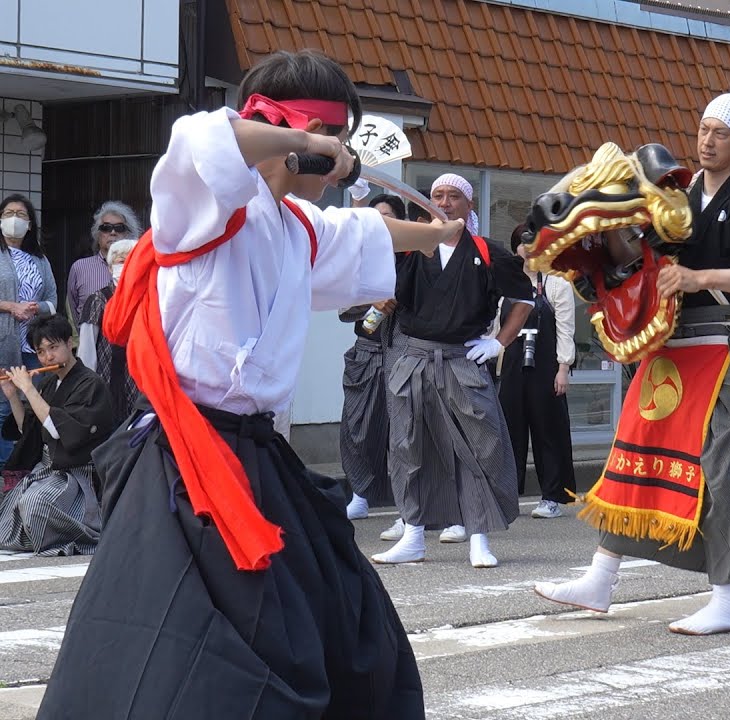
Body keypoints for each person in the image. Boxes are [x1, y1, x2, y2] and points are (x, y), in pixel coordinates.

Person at [36, 49, 464, 719]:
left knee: (350, 626)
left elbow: (368, 233)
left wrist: (441, 235)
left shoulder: (296, 227)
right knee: (206, 662)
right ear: (301, 133)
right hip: (187, 467)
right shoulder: (205, 209)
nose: (340, 160)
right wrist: (309, 145)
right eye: (336, 140)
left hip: (256, 458)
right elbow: (199, 140)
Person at [534, 91, 730, 635]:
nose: (707, 141)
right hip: (668, 351)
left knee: (722, 474)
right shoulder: (673, 197)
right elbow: (639, 263)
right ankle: (600, 579)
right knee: (631, 456)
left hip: (723, 351)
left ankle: (725, 598)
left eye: (721, 133)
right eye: (704, 129)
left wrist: (701, 278)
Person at [372, 173, 532, 568]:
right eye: (437, 196)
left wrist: (499, 342)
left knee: (479, 444)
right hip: (413, 357)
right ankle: (413, 534)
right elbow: (372, 270)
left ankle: (478, 536)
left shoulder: (487, 251)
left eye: (453, 196)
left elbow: (524, 299)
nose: (444, 203)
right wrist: (378, 298)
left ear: (468, 204)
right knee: (408, 444)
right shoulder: (410, 248)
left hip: (464, 358)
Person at [0, 314, 113, 555]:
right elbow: (29, 431)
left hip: (76, 474)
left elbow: (60, 430)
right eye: (41, 352)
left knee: (33, 504)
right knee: (8, 511)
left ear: (69, 343)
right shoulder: (48, 384)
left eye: (53, 347)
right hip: (48, 469)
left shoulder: (91, 384)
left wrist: (28, 389)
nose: (48, 357)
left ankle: (77, 532)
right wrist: (12, 395)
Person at [498, 223, 576, 519]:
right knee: (510, 431)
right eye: (522, 243)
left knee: (548, 431)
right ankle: (508, 496)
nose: (528, 249)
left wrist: (563, 368)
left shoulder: (557, 284)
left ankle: (552, 496)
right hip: (512, 364)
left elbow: (565, 330)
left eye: (534, 243)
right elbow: (494, 328)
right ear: (515, 248)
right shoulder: (505, 284)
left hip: (546, 367)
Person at [343, 193, 406, 520]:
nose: (381, 223)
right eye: (376, 217)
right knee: (359, 426)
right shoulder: (362, 259)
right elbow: (343, 308)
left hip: (404, 353)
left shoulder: (411, 257)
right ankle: (360, 494)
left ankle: (409, 504)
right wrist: (373, 305)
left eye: (388, 217)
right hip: (367, 353)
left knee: (404, 431)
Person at [0, 194, 57, 468]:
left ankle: (32, 466)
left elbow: (52, 301)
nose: (15, 219)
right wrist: (11, 306)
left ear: (30, 224)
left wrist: (35, 309)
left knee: (36, 405)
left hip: (34, 347)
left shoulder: (40, 259)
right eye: (8, 213)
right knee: (3, 406)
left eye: (21, 215)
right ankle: (5, 469)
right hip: (4, 344)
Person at [76, 238, 141, 427]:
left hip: (138, 383)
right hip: (106, 382)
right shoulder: (98, 300)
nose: (125, 266)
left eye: (131, 260)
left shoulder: (147, 298)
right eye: (120, 261)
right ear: (111, 268)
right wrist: (87, 390)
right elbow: (87, 350)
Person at [65, 201, 143, 325]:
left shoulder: (140, 268)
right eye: (106, 228)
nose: (113, 232)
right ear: (97, 234)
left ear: (128, 234)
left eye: (119, 228)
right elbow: (72, 312)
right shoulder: (79, 268)